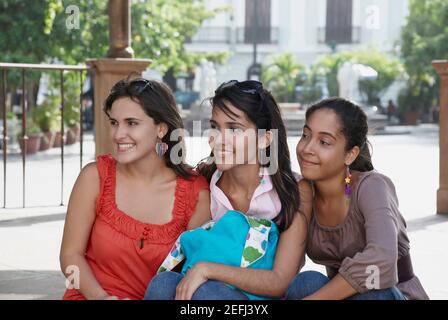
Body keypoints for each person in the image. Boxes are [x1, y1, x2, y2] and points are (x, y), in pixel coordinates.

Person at [144, 80, 312, 300]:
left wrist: (208, 269)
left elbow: (280, 281)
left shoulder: (293, 191)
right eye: (215, 127)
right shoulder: (204, 182)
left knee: (208, 292)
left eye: (234, 129)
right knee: (163, 284)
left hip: (258, 300)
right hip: (207, 298)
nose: (218, 140)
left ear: (264, 139)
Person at [60, 78, 211, 300]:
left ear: (161, 128)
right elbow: (69, 256)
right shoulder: (94, 177)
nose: (118, 134)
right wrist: (100, 298)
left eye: (131, 123)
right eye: (114, 122)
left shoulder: (195, 192)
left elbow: (192, 274)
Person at [287, 97, 429, 300]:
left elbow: (381, 262)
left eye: (324, 142)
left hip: (390, 293)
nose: (307, 148)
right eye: (305, 135)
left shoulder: (371, 187)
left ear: (350, 155)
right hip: (340, 295)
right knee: (306, 282)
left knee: (374, 294)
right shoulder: (304, 191)